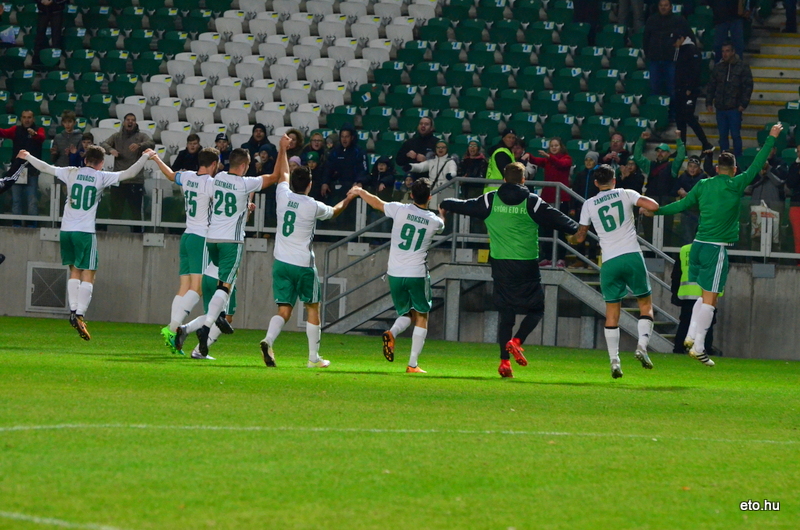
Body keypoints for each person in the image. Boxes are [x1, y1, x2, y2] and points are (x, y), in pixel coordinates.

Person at [644, 123, 783, 366]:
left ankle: (689, 337)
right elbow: (758, 163)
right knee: (711, 300)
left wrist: (657, 212)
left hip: (697, 245)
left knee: (702, 295)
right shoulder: (737, 183)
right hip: (714, 248)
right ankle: (699, 347)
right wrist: (771, 138)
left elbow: (681, 205)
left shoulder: (703, 184)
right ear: (735, 169)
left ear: (717, 168)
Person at [440, 162, 579, 378]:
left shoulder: (490, 199)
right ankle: (517, 341)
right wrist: (578, 228)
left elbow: (464, 205)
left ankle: (504, 362)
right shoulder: (532, 202)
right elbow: (560, 221)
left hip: (500, 263)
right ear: (524, 180)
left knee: (506, 313)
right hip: (526, 263)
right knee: (537, 309)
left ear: (504, 179)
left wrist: (446, 202)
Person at [16, 145, 153, 340]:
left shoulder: (71, 172)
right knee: (89, 272)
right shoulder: (101, 176)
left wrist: (28, 155)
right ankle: (79, 313)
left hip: (66, 231)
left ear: (85, 159)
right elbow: (129, 173)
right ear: (101, 163)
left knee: (74, 270)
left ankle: (72, 311)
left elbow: (46, 167)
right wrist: (145, 157)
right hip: (84, 232)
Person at [191, 141, 290, 356]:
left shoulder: (217, 178)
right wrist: (282, 150)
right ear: (244, 165)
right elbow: (275, 177)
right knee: (225, 286)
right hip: (231, 241)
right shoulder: (246, 183)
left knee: (220, 283)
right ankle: (207, 326)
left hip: (212, 239)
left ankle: (214, 318)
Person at [259, 162, 357, 368]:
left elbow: (283, 173)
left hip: (281, 263)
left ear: (291, 183)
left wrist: (283, 148)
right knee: (313, 307)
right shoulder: (312, 205)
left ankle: (268, 340)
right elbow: (335, 211)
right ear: (310, 184)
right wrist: (349, 197)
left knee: (284, 310)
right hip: (302, 264)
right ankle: (313, 358)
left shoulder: (282, 194)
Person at [568, 164, 659, 378]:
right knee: (645, 305)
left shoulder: (589, 204)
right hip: (631, 255)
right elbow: (653, 205)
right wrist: (643, 208)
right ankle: (642, 347)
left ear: (596, 183)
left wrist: (570, 239)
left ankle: (614, 361)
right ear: (615, 180)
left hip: (609, 261)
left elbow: (580, 236)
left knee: (612, 313)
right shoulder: (626, 193)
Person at [349, 178, 445, 373]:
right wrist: (443, 214)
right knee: (421, 315)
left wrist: (360, 191)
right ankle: (412, 364)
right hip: (416, 273)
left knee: (406, 313)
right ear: (430, 197)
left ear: (411, 195)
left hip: (394, 272)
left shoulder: (399, 209)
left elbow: (376, 202)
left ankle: (391, 332)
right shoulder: (434, 222)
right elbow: (441, 224)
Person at [148, 147, 223, 355]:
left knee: (184, 286)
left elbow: (171, 175)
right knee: (197, 288)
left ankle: (171, 331)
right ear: (214, 164)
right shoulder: (210, 183)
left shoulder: (188, 176)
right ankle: (173, 329)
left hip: (187, 236)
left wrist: (156, 159)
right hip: (200, 238)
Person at [100, 113, 155, 228]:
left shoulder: (141, 136)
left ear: (135, 123)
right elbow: (103, 144)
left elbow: (152, 143)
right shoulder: (116, 136)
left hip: (135, 180)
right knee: (115, 212)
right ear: (124, 122)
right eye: (128, 120)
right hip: (118, 180)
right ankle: (112, 236)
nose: (130, 122)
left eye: (133, 120)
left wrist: (139, 145)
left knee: (136, 213)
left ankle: (138, 235)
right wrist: (111, 150)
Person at [529, 137, 573, 266]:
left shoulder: (567, 158)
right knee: (547, 229)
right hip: (548, 199)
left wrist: (548, 156)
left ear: (561, 147)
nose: (553, 148)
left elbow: (561, 164)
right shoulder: (548, 160)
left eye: (556, 145)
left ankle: (560, 258)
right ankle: (548, 257)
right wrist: (528, 156)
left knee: (560, 229)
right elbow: (536, 160)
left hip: (562, 200)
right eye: (551, 145)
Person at [706, 42, 753, 157]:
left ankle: (737, 159)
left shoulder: (742, 67)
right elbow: (711, 85)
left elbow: (748, 86)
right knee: (722, 135)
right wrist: (709, 102)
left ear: (733, 52)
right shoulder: (718, 67)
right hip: (721, 107)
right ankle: (725, 158)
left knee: (735, 135)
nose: (725, 54)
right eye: (723, 51)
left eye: (727, 51)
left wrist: (744, 104)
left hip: (734, 107)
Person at [671, 243, 719, 355]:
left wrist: (674, 292)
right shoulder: (714, 251)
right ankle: (704, 348)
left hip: (688, 293)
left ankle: (679, 348)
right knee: (707, 322)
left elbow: (676, 273)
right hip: (706, 293)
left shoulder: (685, 249)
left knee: (685, 322)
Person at [183, 262, 239, 360]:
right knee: (225, 318)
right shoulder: (234, 246)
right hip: (222, 280)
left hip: (208, 275)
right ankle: (198, 351)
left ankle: (185, 329)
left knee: (212, 314)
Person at [643, 0, 691, 110]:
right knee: (654, 89)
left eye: (666, 5)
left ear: (670, 7)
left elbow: (689, 37)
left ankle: (673, 114)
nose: (663, 8)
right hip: (655, 60)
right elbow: (645, 39)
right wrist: (649, 54)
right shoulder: (652, 20)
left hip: (671, 60)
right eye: (661, 5)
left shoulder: (678, 20)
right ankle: (655, 113)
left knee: (672, 89)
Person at [1, 110, 45, 226]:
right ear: (21, 119)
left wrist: (34, 134)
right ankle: (16, 225)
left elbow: (41, 137)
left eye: (29, 117)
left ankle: (32, 226)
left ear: (33, 119)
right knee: (16, 200)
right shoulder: (16, 130)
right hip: (17, 172)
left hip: (32, 171)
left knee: (32, 201)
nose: (27, 120)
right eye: (24, 117)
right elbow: (3, 133)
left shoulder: (39, 130)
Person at [320, 123, 369, 229]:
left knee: (349, 217)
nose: (344, 139)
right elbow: (328, 168)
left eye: (347, 136)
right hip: (337, 189)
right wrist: (325, 182)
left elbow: (364, 170)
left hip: (352, 189)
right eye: (342, 136)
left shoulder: (359, 152)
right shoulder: (335, 152)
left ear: (352, 137)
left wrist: (359, 182)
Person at [673, 32, 713, 152]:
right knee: (680, 119)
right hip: (680, 90)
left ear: (681, 38)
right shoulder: (680, 50)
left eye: (675, 41)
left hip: (689, 91)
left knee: (689, 117)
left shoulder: (692, 50)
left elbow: (696, 71)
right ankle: (682, 148)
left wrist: (690, 88)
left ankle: (706, 143)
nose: (674, 45)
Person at [632, 131, 685, 202]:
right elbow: (637, 157)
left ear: (669, 153)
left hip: (667, 201)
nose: (660, 153)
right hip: (651, 199)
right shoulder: (650, 165)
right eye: (658, 151)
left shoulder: (672, 166)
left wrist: (678, 140)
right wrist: (641, 140)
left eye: (663, 151)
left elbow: (681, 157)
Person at [408, 140, 457, 209]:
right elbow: (421, 167)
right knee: (432, 209)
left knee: (444, 210)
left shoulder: (450, 162)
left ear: (447, 149)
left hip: (445, 190)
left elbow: (453, 171)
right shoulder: (431, 162)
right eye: (438, 147)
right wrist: (411, 166)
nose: (440, 149)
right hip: (433, 190)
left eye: (443, 147)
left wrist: (450, 175)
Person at [671, 155, 708, 244]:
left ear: (699, 168)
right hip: (686, 212)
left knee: (699, 237)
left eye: (695, 167)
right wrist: (679, 191)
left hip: (700, 212)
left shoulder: (703, 178)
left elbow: (705, 195)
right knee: (687, 237)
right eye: (690, 166)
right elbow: (673, 191)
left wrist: (688, 195)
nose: (692, 169)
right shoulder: (683, 177)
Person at [32, 0, 66, 68]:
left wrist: (53, 1)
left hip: (57, 9)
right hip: (42, 10)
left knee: (56, 38)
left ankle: (55, 61)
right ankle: (37, 60)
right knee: (39, 35)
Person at [785, 146, 800, 260]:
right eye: (798, 151)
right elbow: (790, 183)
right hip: (796, 204)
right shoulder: (794, 166)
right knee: (798, 237)